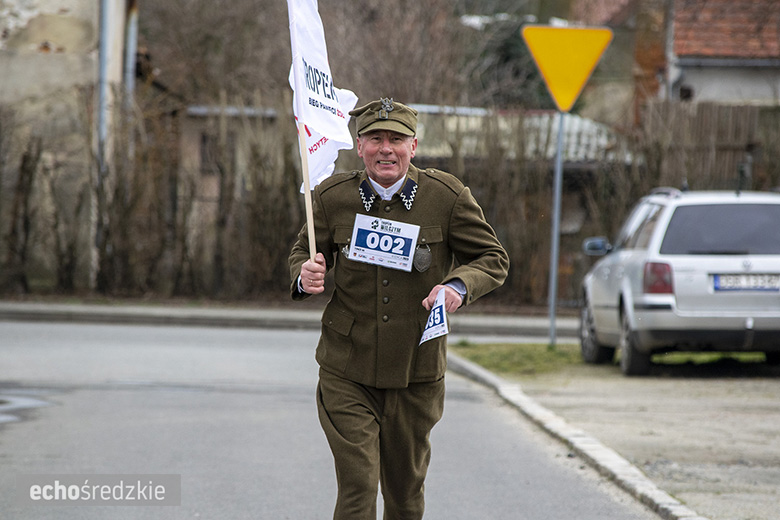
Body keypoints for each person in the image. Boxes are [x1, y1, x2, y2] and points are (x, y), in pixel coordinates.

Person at [288, 97, 509, 520]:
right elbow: (304, 250)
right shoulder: (332, 197)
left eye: (396, 139)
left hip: (417, 371)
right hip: (347, 368)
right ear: (359, 145)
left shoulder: (446, 196)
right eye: (375, 139)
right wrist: (305, 273)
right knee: (358, 486)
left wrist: (457, 287)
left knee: (405, 496)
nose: (385, 148)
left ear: (414, 145)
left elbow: (493, 259)